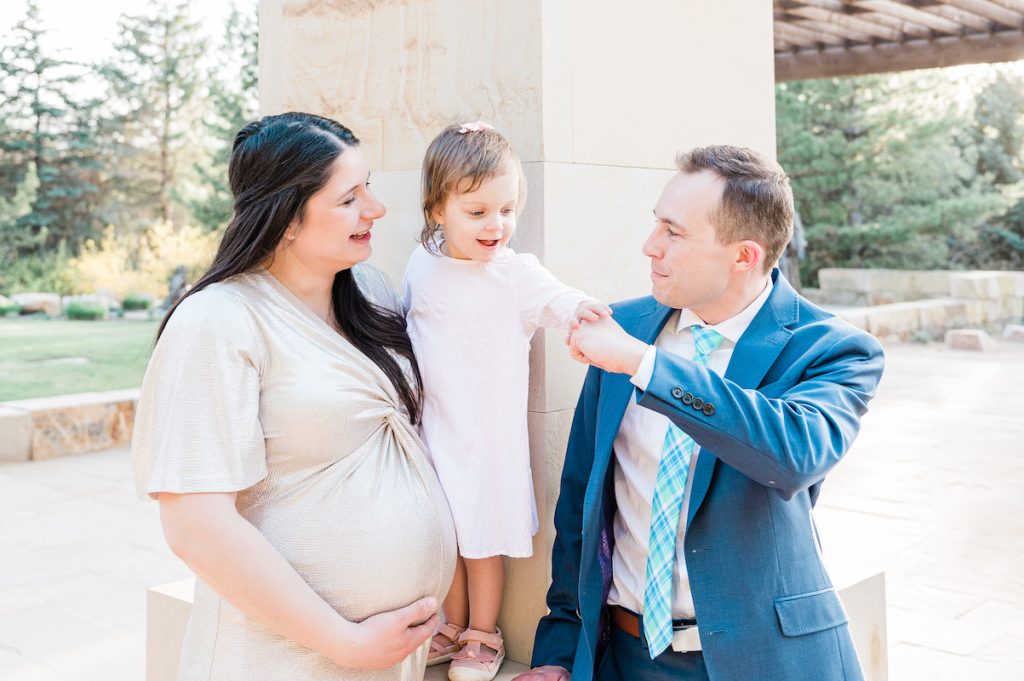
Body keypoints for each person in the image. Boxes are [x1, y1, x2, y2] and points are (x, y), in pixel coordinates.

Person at [515, 145, 884, 681]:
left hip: (765, 663)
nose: (650, 245)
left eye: (674, 232)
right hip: (626, 657)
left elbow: (793, 453)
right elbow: (580, 506)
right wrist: (560, 649)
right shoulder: (624, 328)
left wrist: (646, 367)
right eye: (656, 224)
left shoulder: (831, 348)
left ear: (744, 256)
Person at [131, 112, 457, 681]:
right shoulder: (217, 322)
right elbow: (195, 526)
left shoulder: (371, 292)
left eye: (368, 188)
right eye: (349, 198)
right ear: (285, 218)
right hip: (282, 657)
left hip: (392, 656)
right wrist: (345, 641)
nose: (376, 209)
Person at [403, 121, 609, 681]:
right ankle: (452, 623)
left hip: (486, 437)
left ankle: (482, 632)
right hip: (433, 427)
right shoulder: (423, 263)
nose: (496, 225)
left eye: (507, 209)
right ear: (437, 210)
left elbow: (560, 298)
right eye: (477, 212)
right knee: (444, 534)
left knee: (481, 538)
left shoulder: (515, 274)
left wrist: (583, 311)